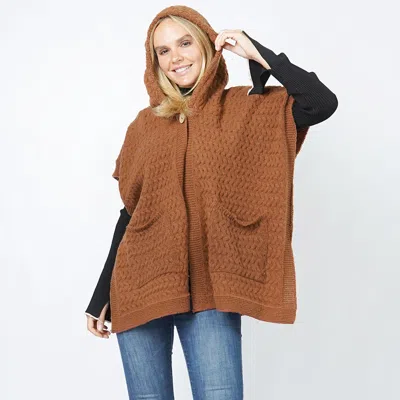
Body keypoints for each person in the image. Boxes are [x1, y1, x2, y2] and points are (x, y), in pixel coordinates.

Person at [84, 5, 338, 399]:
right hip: (138, 285)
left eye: (184, 43)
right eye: (163, 51)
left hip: (210, 291)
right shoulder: (143, 126)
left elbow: (320, 102)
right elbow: (131, 213)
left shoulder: (247, 106)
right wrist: (101, 296)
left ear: (206, 45)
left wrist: (257, 53)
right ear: (154, 62)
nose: (176, 57)